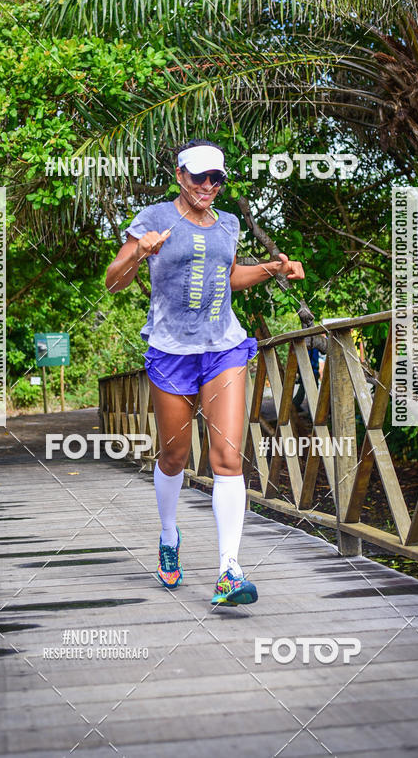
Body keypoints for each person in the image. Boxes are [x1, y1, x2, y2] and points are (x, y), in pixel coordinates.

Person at [105, 140, 304, 606]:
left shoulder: (229, 224)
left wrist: (273, 269)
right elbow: (113, 282)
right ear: (180, 176)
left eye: (216, 179)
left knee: (228, 459)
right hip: (172, 351)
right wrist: (139, 253)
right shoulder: (154, 218)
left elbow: (228, 276)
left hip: (223, 348)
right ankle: (170, 536)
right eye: (199, 178)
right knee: (174, 457)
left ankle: (228, 571)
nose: (208, 187)